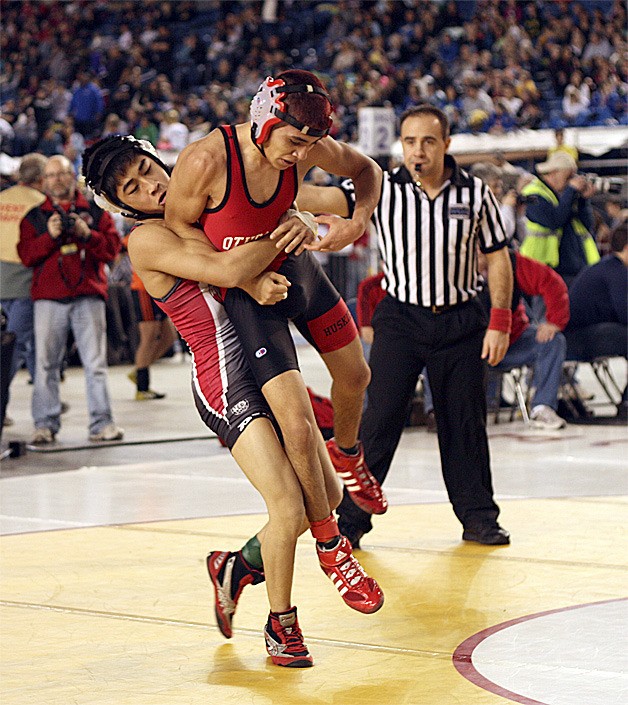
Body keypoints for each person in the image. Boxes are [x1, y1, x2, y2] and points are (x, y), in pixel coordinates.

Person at [81, 135, 383, 668]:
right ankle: (281, 626)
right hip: (226, 383)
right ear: (122, 204)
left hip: (267, 359)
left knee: (328, 498)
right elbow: (229, 271)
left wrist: (318, 204)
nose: (152, 186)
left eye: (149, 171)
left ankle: (236, 566)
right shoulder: (147, 240)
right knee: (289, 504)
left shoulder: (202, 204)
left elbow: (323, 200)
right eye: (133, 188)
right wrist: (285, 222)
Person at [165, 70, 388, 523]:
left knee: (356, 376)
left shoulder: (306, 146)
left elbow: (368, 169)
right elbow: (176, 229)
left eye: (310, 145)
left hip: (293, 263)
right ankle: (328, 538)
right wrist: (239, 279)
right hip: (246, 290)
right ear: (264, 123)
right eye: (294, 143)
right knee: (297, 422)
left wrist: (358, 220)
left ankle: (347, 453)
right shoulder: (206, 160)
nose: (303, 155)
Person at [298, 104, 514, 547]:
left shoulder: (475, 194)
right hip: (401, 317)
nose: (418, 151)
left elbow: (498, 257)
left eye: (428, 141)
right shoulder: (382, 190)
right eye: (410, 141)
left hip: (461, 318)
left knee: (464, 423)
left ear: (446, 145)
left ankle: (478, 518)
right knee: (376, 420)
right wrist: (267, 183)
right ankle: (351, 523)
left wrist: (501, 319)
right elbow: (320, 199)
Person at [17, 155, 123, 445]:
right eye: (50, 176)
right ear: (43, 181)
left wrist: (87, 234)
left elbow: (113, 250)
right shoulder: (35, 217)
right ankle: (44, 424)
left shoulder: (94, 210)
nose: (57, 180)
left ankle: (102, 423)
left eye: (62, 174)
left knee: (95, 364)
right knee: (45, 365)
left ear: (71, 176)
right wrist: (50, 237)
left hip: (88, 295)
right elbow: (26, 256)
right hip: (49, 300)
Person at [424, 249, 570, 430]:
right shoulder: (446, 268)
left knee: (553, 342)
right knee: (430, 348)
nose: (474, 257)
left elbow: (551, 281)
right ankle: (437, 412)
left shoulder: (513, 262)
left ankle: (543, 407)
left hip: (511, 341)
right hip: (467, 347)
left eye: (478, 253)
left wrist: (554, 322)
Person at [0, 153, 48, 424]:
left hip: (1, 279)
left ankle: (45, 400)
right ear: (42, 179)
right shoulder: (41, 205)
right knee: (14, 349)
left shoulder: (2, 198)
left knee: (27, 347)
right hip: (23, 281)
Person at [565, 225, 627, 418]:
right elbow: (625, 312)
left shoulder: (609, 267)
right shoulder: (616, 272)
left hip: (580, 334)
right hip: (577, 340)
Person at [519, 151, 599, 287]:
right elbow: (553, 220)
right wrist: (571, 190)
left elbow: (588, 225)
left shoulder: (565, 194)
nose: (572, 180)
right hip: (544, 268)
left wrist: (584, 200)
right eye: (568, 176)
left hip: (575, 267)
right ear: (553, 173)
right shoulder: (532, 193)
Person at [123, 237, 177, 400]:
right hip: (143, 289)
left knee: (169, 337)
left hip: (158, 288)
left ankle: (140, 369)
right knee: (149, 336)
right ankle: (142, 387)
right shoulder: (137, 234)